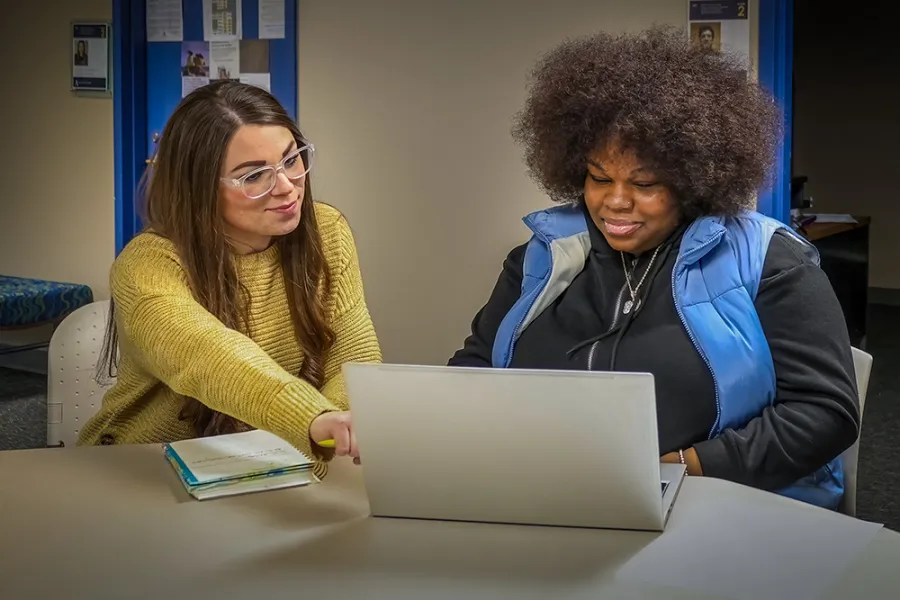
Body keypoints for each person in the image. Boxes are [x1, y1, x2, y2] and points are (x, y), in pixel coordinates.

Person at [448, 27, 860, 510]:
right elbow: (475, 368)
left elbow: (824, 412)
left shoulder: (766, 260)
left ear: (692, 180)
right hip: (547, 494)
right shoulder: (543, 255)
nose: (616, 202)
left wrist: (685, 467)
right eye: (599, 178)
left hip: (722, 504)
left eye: (644, 184)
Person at [79, 81, 381, 476]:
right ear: (200, 188)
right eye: (254, 176)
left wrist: (334, 432)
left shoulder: (327, 231)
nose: (287, 187)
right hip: (142, 470)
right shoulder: (146, 265)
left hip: (270, 466)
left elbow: (352, 357)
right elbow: (209, 356)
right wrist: (311, 418)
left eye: (291, 159)